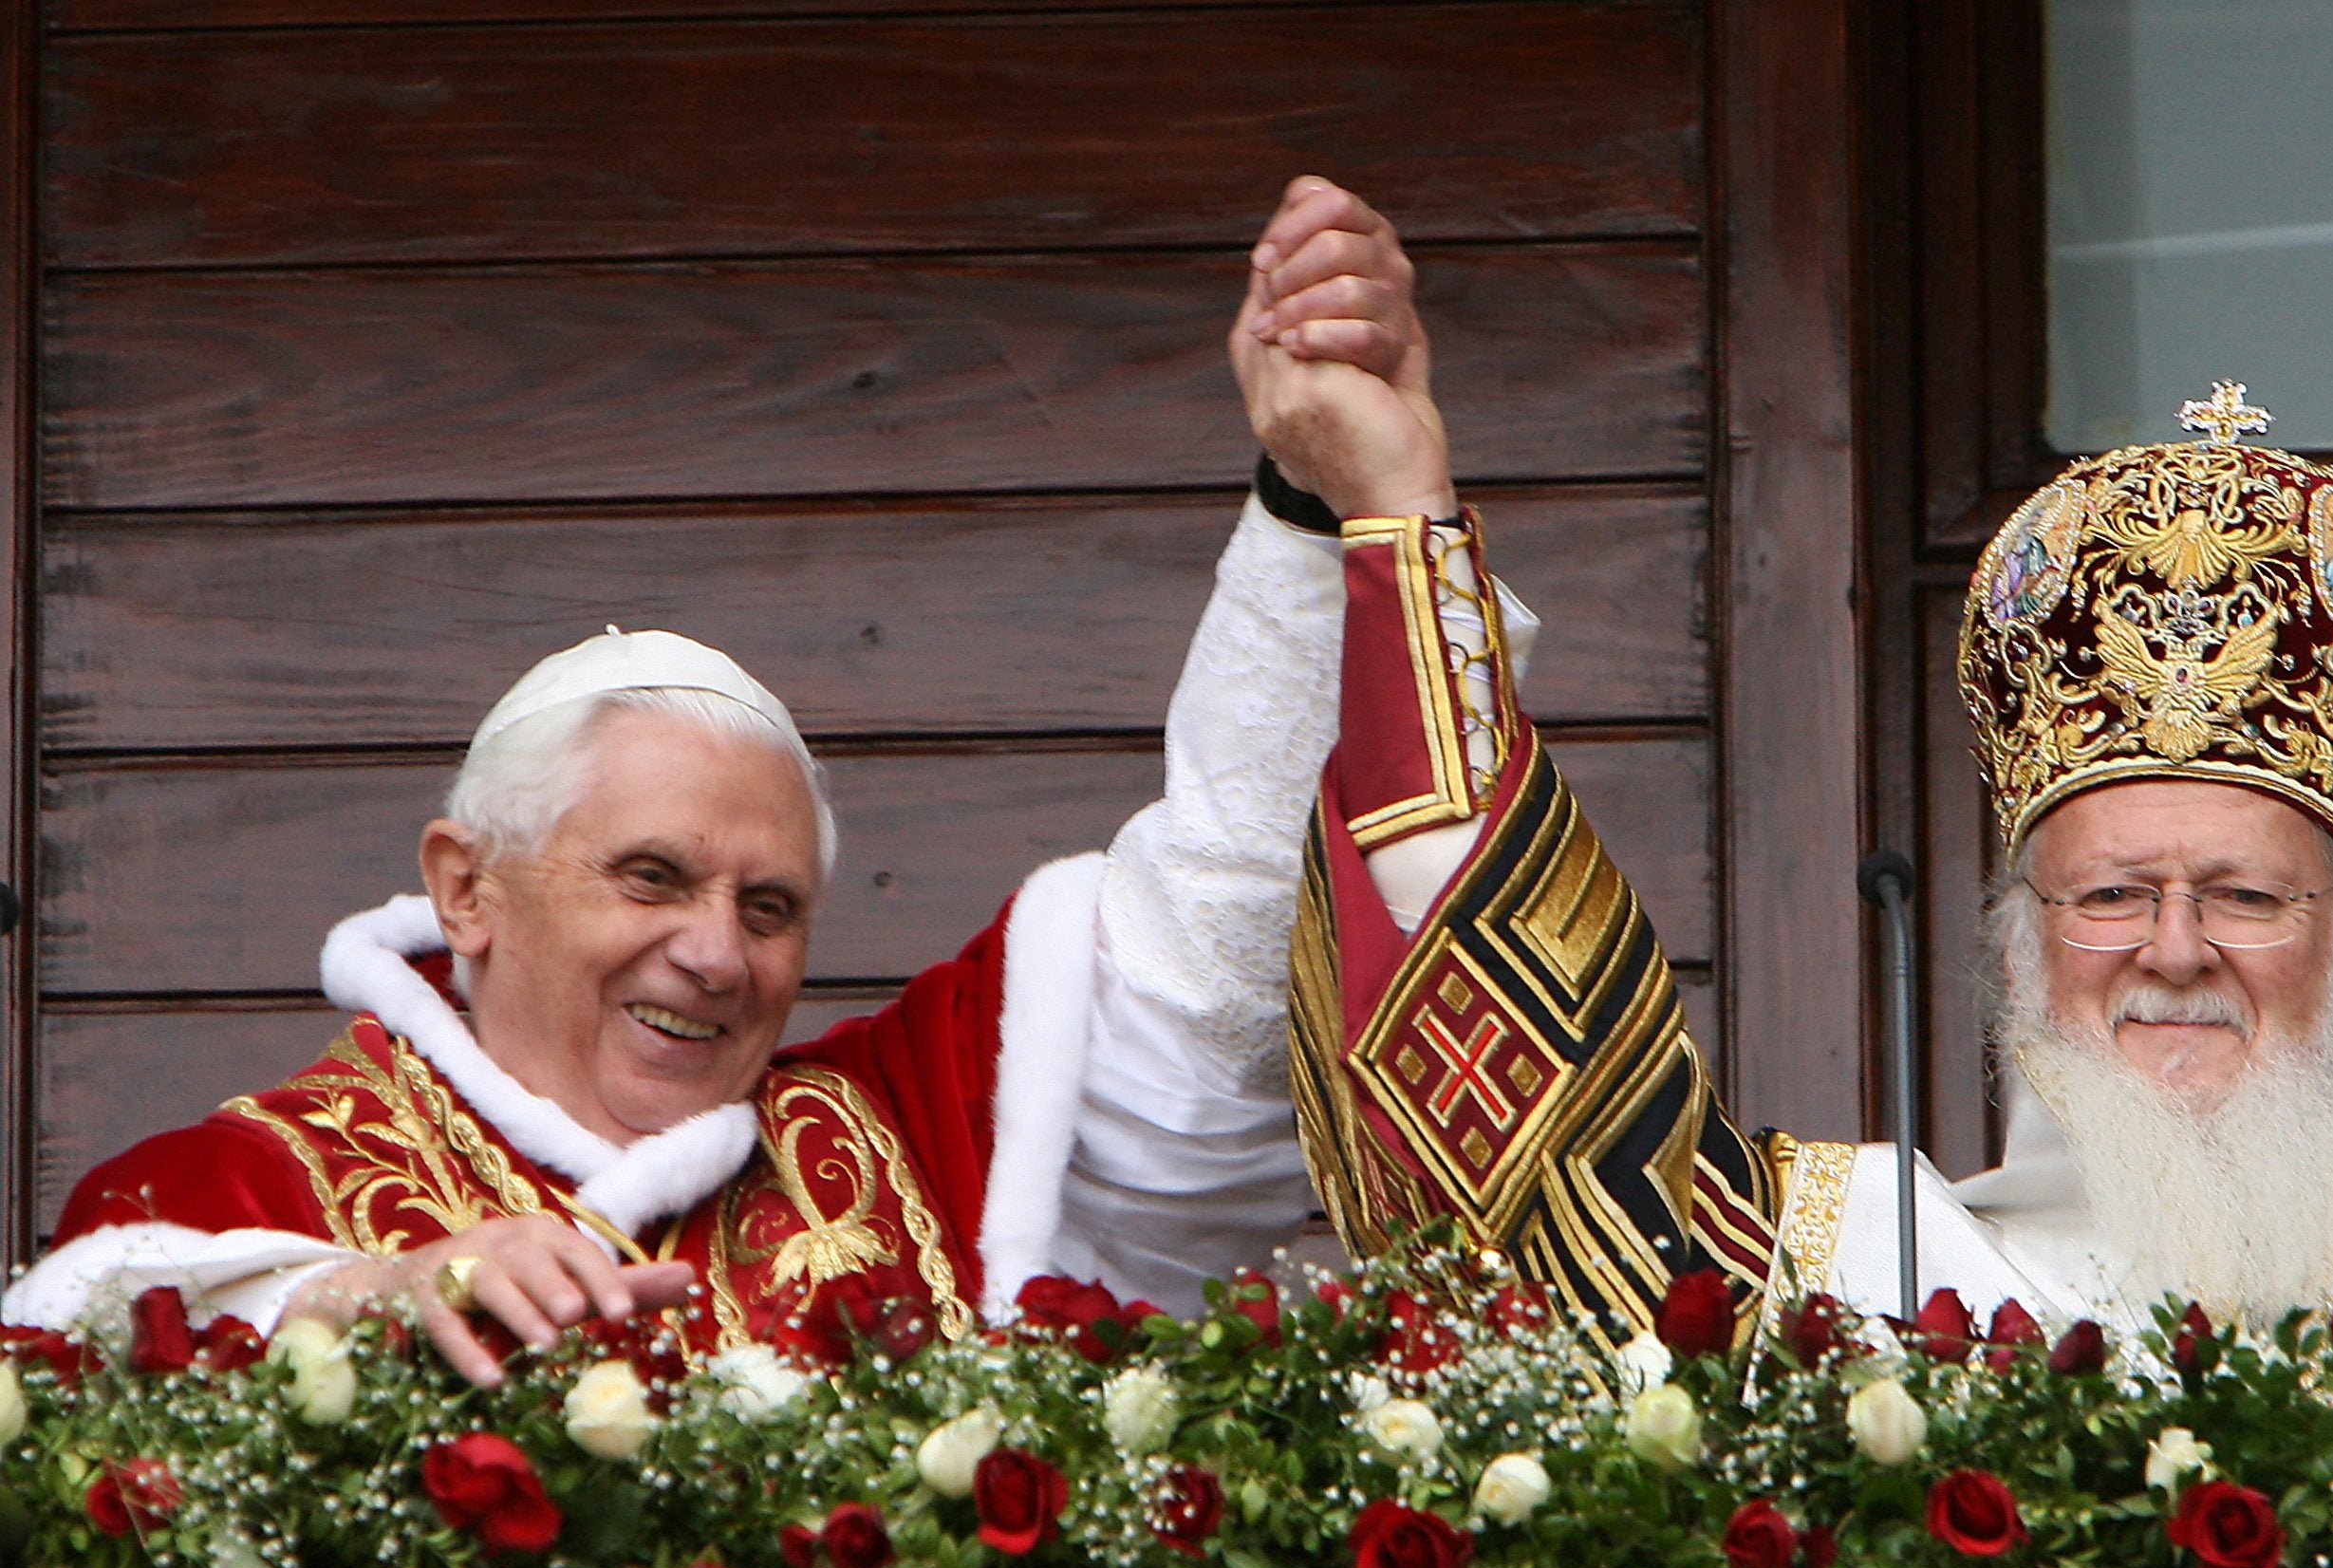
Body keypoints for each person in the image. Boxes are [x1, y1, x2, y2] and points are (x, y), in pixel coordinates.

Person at [2, 177, 1449, 1382]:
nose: (715, 950)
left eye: (770, 907)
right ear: (467, 888)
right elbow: (84, 1354)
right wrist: (364, 1302)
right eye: (652, 875)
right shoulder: (241, 1197)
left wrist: (1328, 497)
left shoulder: (917, 1135)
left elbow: (1224, 970)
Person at [1285, 361, 2333, 1329]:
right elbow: (1551, 1182)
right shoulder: (1867, 1291)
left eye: (2244, 896)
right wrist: (1403, 521)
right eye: (2111, 892)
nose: (2175, 949)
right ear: (2019, 954)